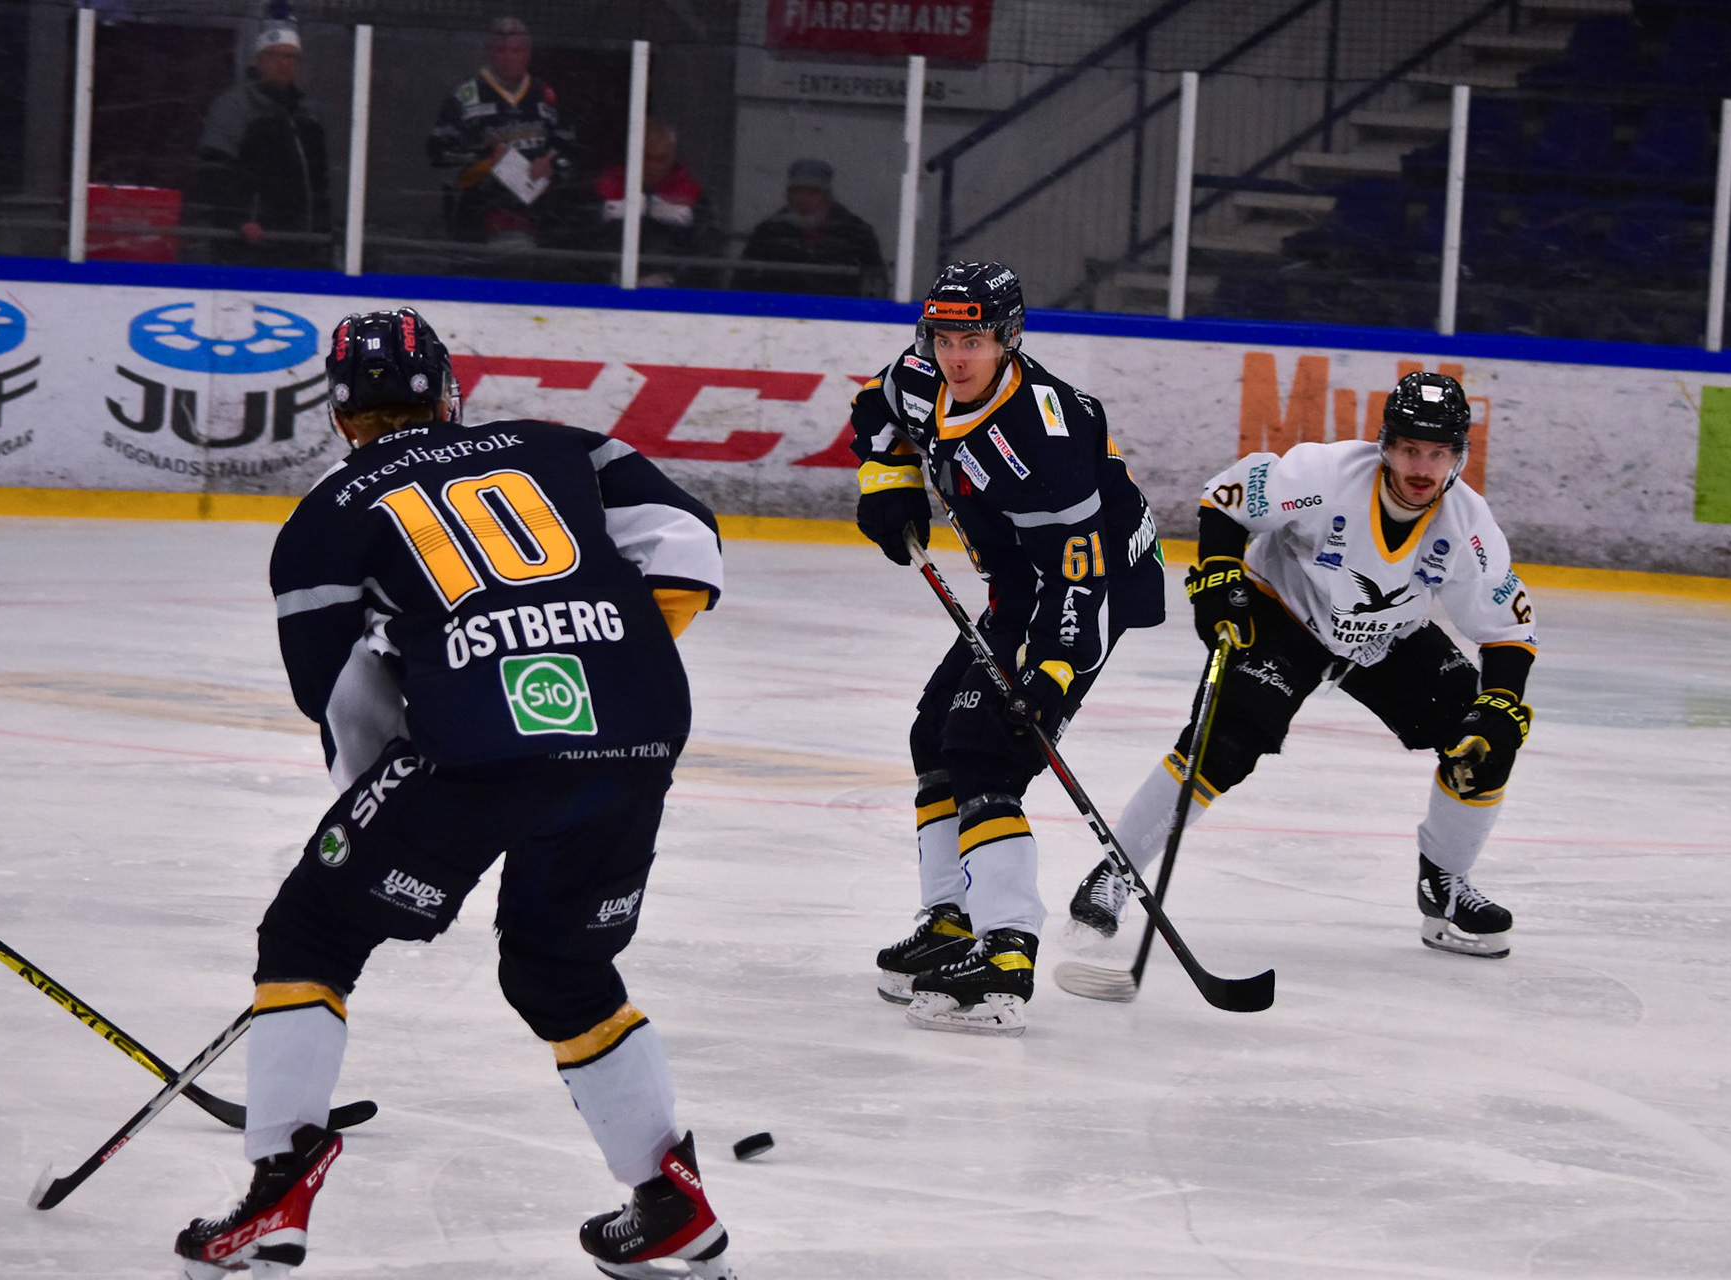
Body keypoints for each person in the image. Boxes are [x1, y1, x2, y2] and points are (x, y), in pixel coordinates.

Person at [173, 308, 736, 1280]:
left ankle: (274, 1195)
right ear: (447, 392)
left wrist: (386, 823)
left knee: (312, 933)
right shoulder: (560, 444)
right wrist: (601, 668)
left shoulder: (326, 515)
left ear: (340, 415)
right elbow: (687, 542)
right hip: (635, 732)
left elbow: (344, 699)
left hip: (475, 753)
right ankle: (668, 1203)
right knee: (561, 974)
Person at [1068, 371, 1537, 960]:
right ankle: (1116, 872)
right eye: (1410, 449)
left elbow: (1508, 629)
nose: (1422, 468)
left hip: (1385, 636)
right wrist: (1219, 577)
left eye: (1437, 454)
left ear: (1458, 457)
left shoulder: (1469, 527)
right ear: (1386, 446)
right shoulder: (1327, 475)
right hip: (1283, 613)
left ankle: (1444, 885)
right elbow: (1227, 498)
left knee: (1484, 741)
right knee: (1223, 743)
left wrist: (1501, 701)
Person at [850, 261, 1166, 1035]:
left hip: (1091, 590)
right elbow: (876, 407)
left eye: (976, 341)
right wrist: (888, 481)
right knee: (936, 737)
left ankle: (1006, 951)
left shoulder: (1042, 436)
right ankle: (948, 923)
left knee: (989, 750)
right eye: (945, 338)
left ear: (1009, 338)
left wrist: (1051, 672)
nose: (957, 356)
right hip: (1021, 587)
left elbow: (1079, 572)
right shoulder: (922, 376)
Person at [193, 14, 332, 269]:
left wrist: (323, 229)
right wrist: (240, 219)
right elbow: (214, 169)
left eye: (291, 57)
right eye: (274, 56)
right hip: (248, 247)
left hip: (301, 245)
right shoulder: (234, 107)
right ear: (258, 60)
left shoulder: (308, 113)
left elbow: (319, 182)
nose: (284, 63)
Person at [426, 16, 578, 245]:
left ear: (528, 53)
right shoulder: (465, 97)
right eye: (500, 50)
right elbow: (438, 152)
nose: (508, 57)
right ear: (488, 52)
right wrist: (487, 159)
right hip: (477, 212)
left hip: (538, 212)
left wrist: (551, 164)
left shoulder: (545, 95)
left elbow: (570, 148)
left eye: (516, 51)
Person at [589, 120, 718, 287]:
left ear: (672, 158)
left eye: (661, 159)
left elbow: (707, 255)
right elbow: (581, 245)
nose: (652, 166)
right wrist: (609, 277)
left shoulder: (693, 197)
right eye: (646, 157)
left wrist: (672, 279)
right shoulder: (602, 190)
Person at [739, 159, 888, 297]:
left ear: (828, 197)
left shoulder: (857, 234)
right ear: (788, 196)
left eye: (813, 193)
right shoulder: (768, 234)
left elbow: (876, 288)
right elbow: (742, 284)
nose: (804, 200)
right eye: (797, 192)